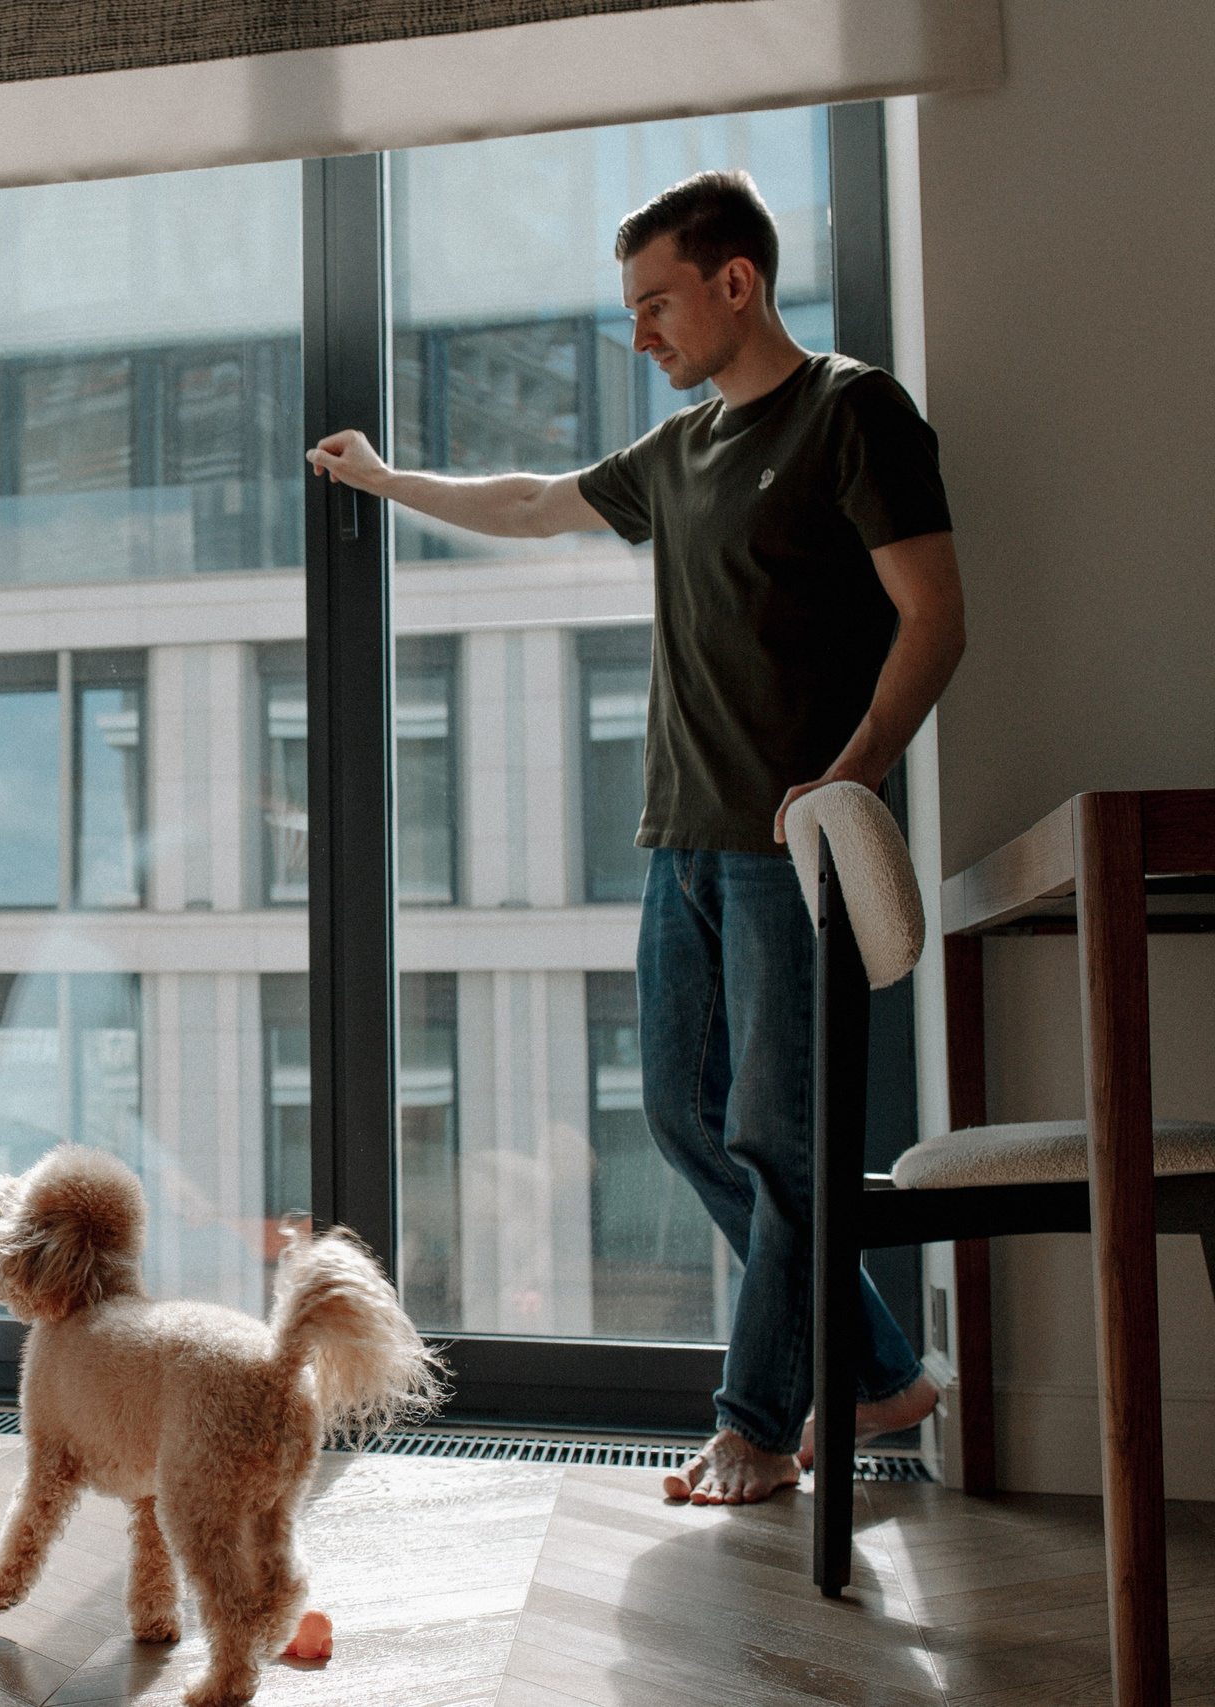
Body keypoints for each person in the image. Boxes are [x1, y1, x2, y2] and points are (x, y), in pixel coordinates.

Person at [307, 170, 962, 1505]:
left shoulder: (854, 412)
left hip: (799, 846)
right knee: (682, 1115)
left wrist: (844, 782)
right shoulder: (679, 454)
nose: (641, 334)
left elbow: (935, 615)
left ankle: (760, 1423)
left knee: (782, 1140)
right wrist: (384, 480)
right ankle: (882, 1367)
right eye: (629, 310)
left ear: (738, 281)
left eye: (657, 302)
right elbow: (532, 499)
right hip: (682, 840)